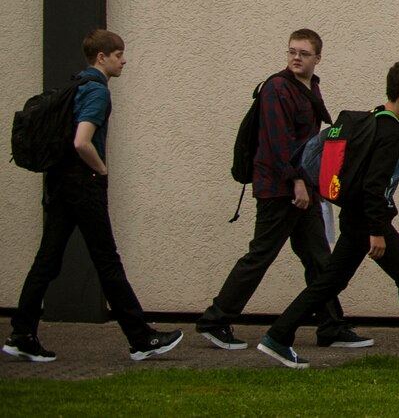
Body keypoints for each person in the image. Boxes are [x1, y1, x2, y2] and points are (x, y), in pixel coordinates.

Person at [256, 61, 399, 373]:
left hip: (354, 219)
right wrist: (377, 230)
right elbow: (373, 185)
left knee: (329, 282)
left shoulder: (372, 118)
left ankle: (277, 336)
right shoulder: (390, 130)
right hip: (368, 221)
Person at [4, 30, 182, 365]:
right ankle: (142, 339)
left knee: (48, 260)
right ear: (101, 57)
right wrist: (101, 171)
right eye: (118, 54)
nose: (123, 60)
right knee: (107, 262)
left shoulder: (75, 85)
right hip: (83, 186)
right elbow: (81, 141)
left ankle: (22, 334)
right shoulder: (97, 92)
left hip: (60, 184)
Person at [196, 30, 370, 351]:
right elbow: (278, 143)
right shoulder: (277, 89)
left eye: (304, 53)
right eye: (292, 51)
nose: (296, 58)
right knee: (261, 254)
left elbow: (308, 142)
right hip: (280, 189)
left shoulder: (310, 87)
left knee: (319, 257)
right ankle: (215, 319)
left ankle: (330, 325)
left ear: (317, 58)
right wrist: (297, 182)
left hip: (303, 187)